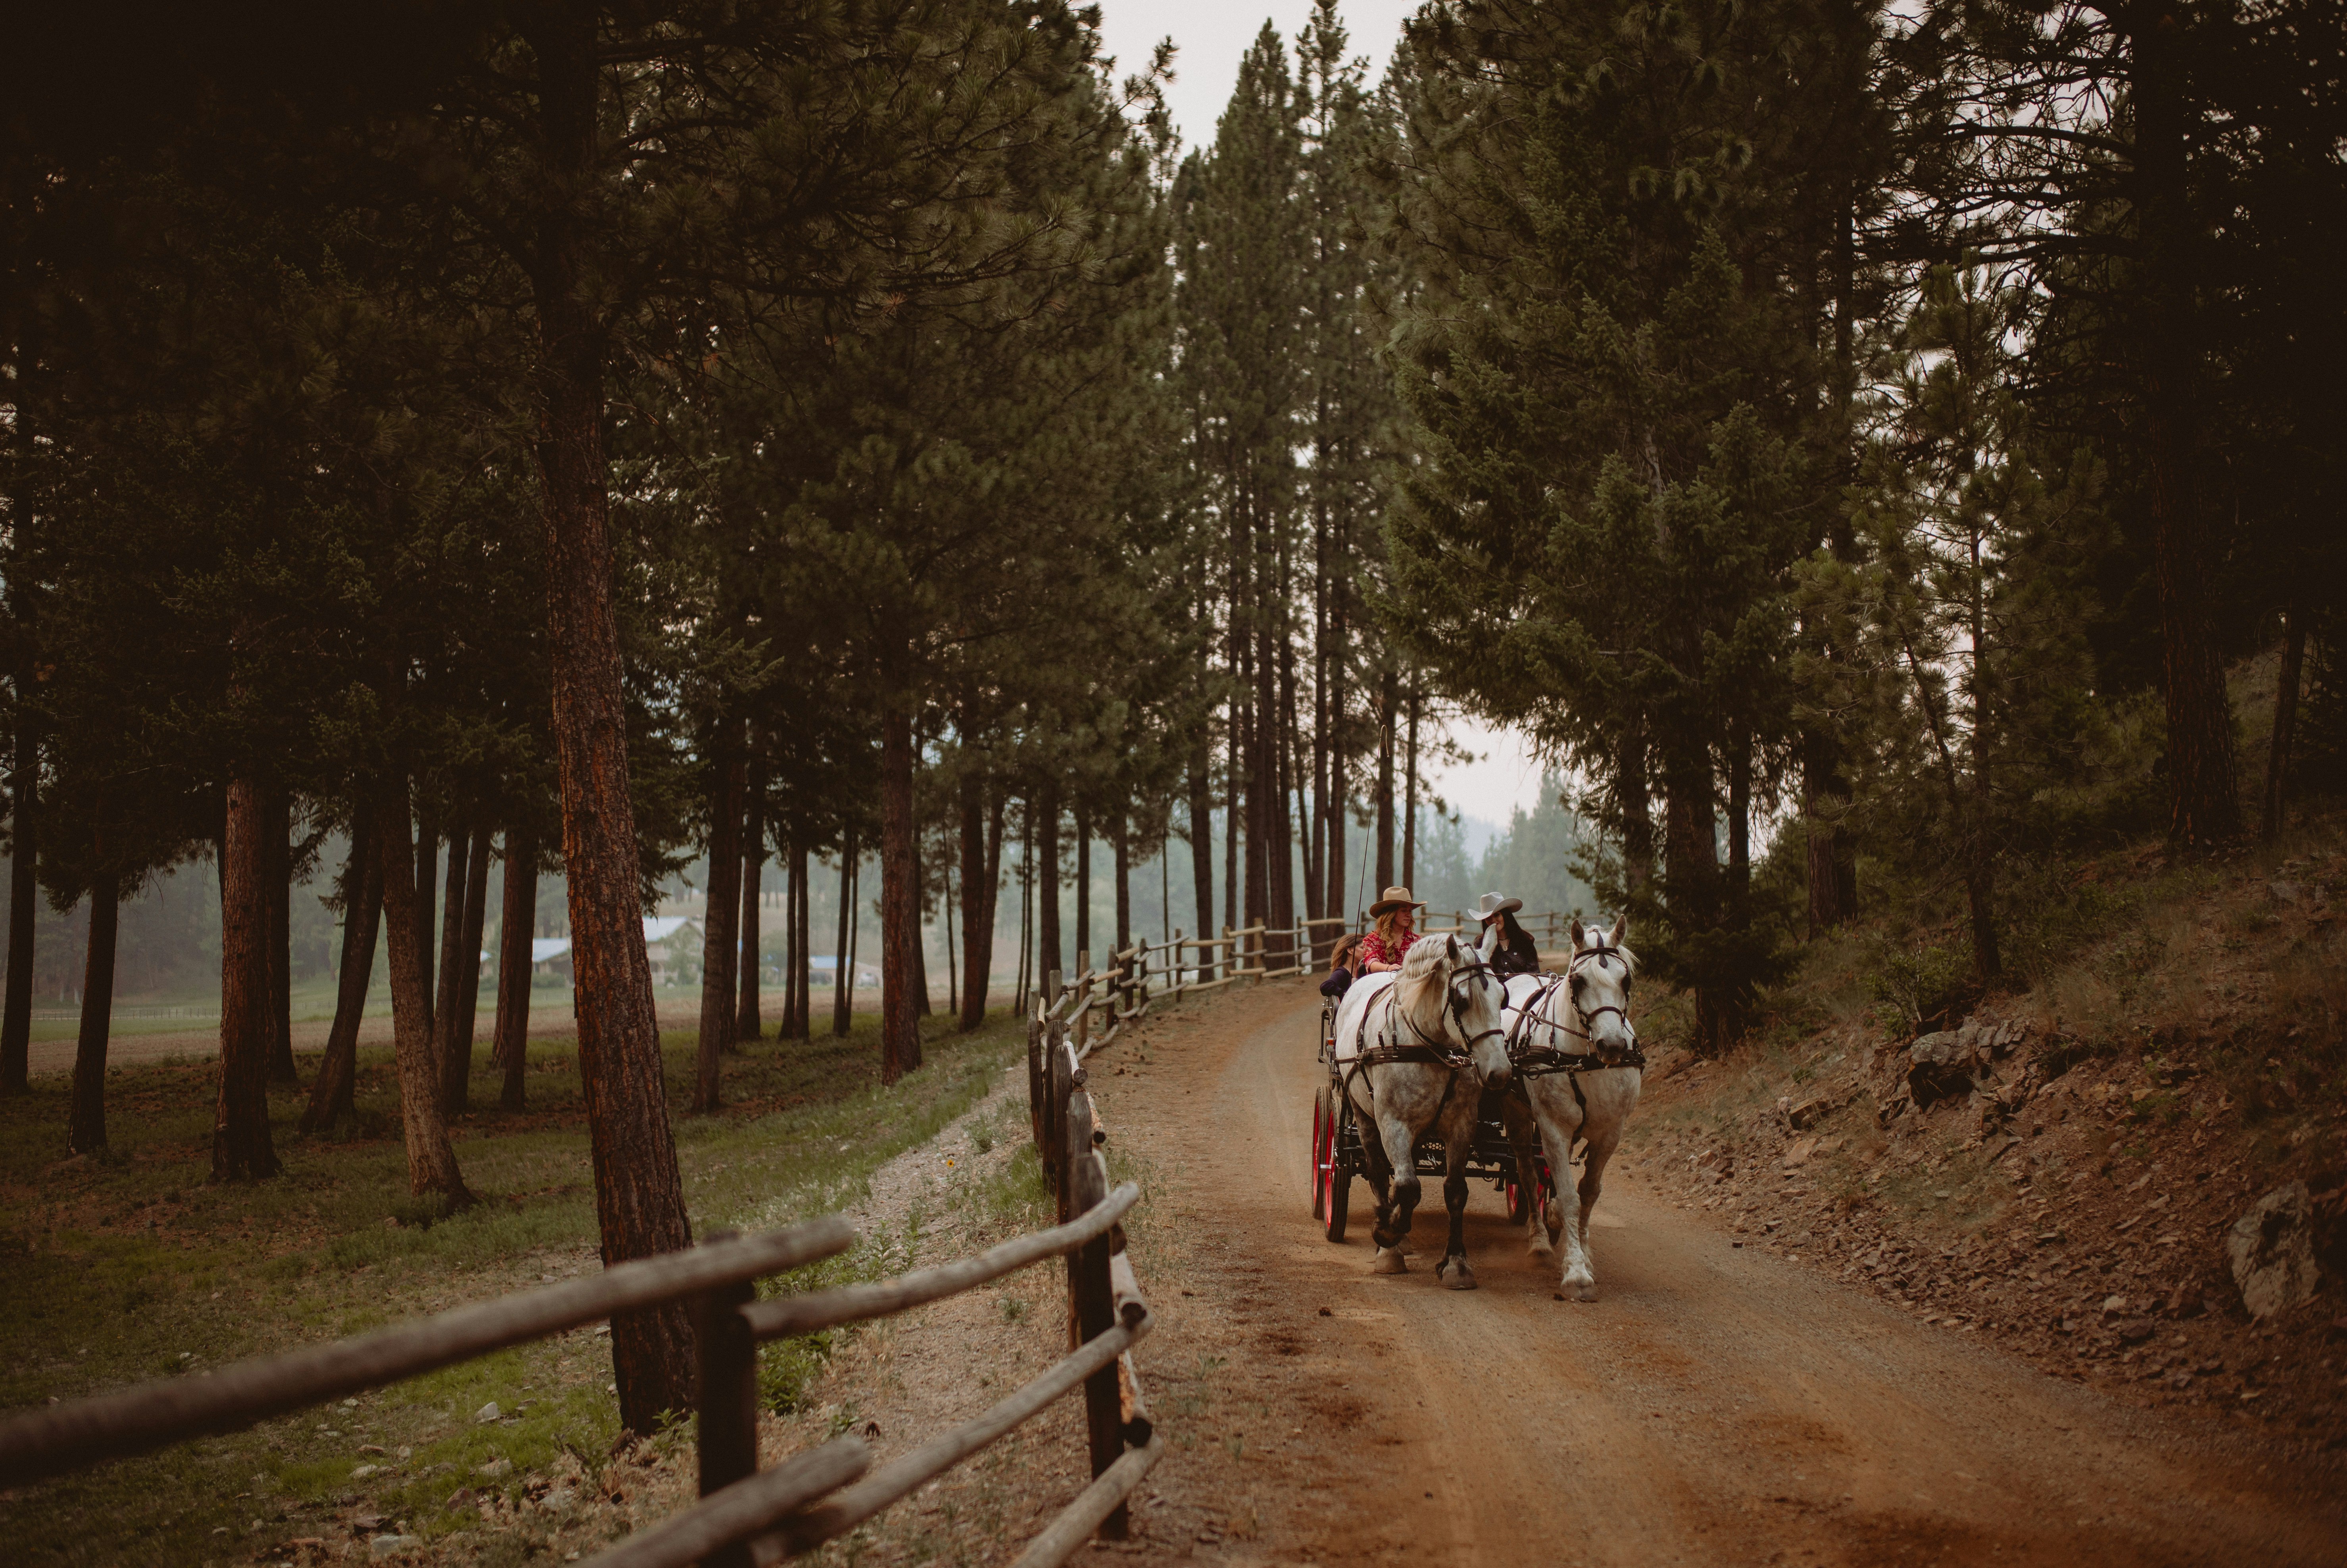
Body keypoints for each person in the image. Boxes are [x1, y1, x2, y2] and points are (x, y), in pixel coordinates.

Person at [1357, 886, 1425, 973]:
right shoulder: (1372, 940)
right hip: (1381, 983)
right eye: (1404, 911)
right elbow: (1372, 963)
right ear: (1391, 914)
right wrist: (1389, 968)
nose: (1409, 915)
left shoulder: (1418, 942)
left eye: (1410, 911)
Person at [1475, 892, 1541, 976]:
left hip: (1525, 988)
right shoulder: (1481, 944)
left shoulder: (1524, 941)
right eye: (1488, 918)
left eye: (1497, 915)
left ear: (1505, 915)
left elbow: (1534, 973)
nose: (1493, 920)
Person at [1319, 933, 1362, 998]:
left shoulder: (1365, 971)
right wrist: (1345, 994)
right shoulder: (1342, 972)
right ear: (1350, 950)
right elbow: (1326, 986)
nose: (1367, 951)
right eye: (1363, 948)